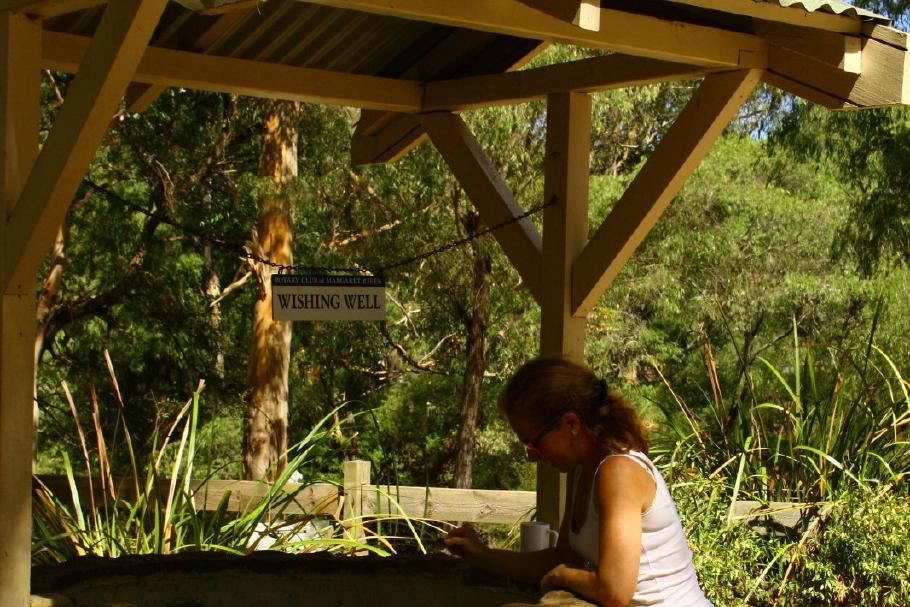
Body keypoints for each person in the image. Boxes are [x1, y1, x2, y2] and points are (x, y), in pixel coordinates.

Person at [444, 356, 712, 607]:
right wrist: (483, 554)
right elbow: (562, 557)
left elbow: (614, 590)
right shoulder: (583, 470)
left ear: (571, 423)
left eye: (533, 442)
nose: (531, 456)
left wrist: (563, 576)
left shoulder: (618, 472)